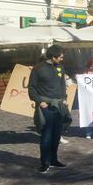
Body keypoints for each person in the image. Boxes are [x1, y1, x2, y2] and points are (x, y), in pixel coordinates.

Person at [28, 45, 71, 173]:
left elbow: (62, 85)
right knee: (47, 134)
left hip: (58, 105)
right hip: (45, 106)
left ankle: (54, 159)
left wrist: (64, 98)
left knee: (57, 134)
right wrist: (40, 102)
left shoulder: (60, 67)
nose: (62, 59)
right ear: (53, 57)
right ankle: (45, 162)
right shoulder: (38, 69)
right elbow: (32, 88)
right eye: (60, 57)